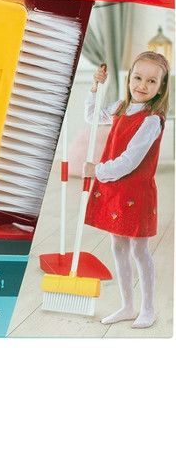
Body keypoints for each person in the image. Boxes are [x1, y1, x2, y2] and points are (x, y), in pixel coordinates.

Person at [83, 52, 170, 328]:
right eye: (138, 77)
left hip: (136, 193)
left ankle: (148, 309)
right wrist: (95, 86)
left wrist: (97, 170)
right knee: (118, 245)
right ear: (129, 77)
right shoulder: (122, 106)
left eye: (151, 81)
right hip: (116, 190)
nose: (142, 85)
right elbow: (91, 116)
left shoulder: (151, 120)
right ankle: (127, 306)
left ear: (161, 87)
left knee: (139, 250)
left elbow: (130, 161)